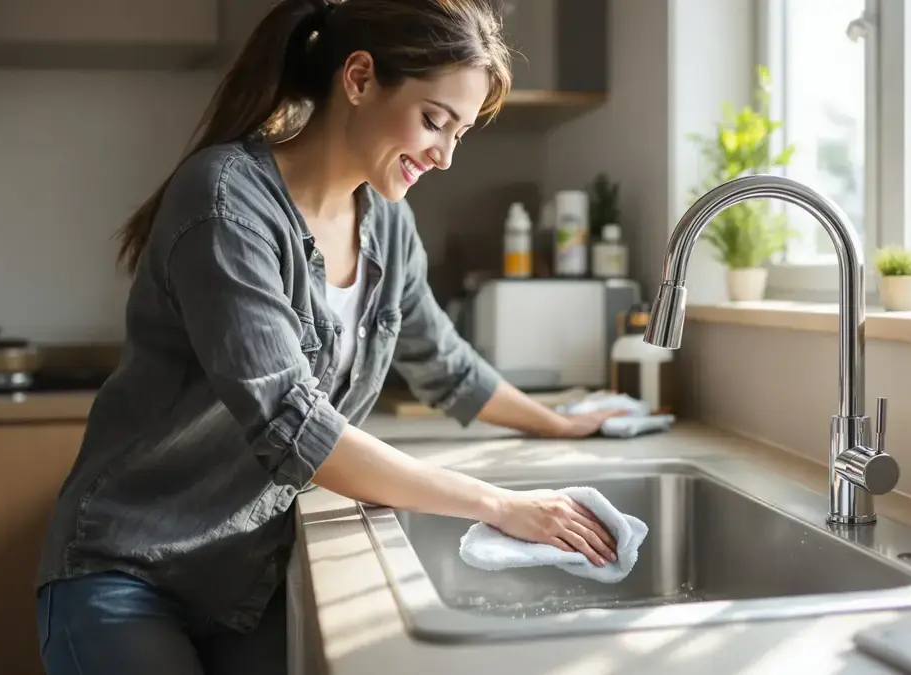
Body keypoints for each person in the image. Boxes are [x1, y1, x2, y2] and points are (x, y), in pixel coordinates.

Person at [33, 1, 624, 673]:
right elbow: (293, 423)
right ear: (360, 78)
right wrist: (497, 504)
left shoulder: (389, 225)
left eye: (458, 133)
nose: (445, 156)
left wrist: (559, 424)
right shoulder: (226, 202)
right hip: (124, 572)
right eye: (435, 120)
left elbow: (446, 364)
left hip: (242, 583)